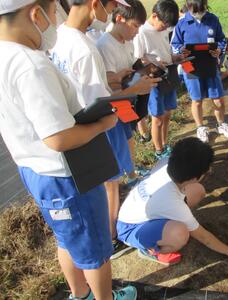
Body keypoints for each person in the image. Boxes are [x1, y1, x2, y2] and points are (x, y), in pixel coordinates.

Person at [0, 0, 136, 298]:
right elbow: (58, 137)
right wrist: (102, 125)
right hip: (67, 174)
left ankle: (80, 293)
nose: (52, 22)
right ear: (35, 14)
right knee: (96, 249)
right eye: (51, 14)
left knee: (68, 239)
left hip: (34, 169)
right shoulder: (30, 64)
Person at [50, 0, 160, 259]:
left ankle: (104, 236)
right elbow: (100, 102)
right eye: (111, 8)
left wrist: (119, 78)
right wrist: (136, 89)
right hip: (96, 126)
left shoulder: (59, 38)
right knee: (110, 183)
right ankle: (111, 238)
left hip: (74, 125)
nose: (112, 15)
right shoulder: (86, 48)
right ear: (95, 4)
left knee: (99, 187)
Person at [117, 137, 228, 265]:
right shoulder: (172, 203)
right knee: (180, 233)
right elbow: (203, 236)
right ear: (195, 177)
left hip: (141, 209)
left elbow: (177, 193)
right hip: (130, 228)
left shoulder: (165, 161)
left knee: (198, 190)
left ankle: (165, 226)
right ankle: (149, 250)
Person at [171, 0, 228, 143]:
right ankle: (200, 127)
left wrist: (219, 50)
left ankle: (221, 124)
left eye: (201, 10)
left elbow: (221, 39)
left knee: (218, 99)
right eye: (195, 10)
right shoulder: (181, 23)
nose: (199, 13)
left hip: (210, 65)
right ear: (188, 7)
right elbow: (175, 44)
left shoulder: (213, 19)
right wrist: (181, 50)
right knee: (197, 100)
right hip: (191, 67)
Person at [96, 0, 149, 177]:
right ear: (119, 19)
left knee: (128, 137)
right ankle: (122, 178)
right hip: (114, 104)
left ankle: (132, 172)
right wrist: (133, 84)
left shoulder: (128, 42)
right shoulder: (104, 45)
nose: (137, 32)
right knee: (118, 144)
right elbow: (110, 83)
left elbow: (130, 68)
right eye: (134, 26)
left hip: (127, 100)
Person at [133, 0, 180, 160]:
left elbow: (165, 51)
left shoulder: (163, 30)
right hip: (154, 80)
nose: (166, 28)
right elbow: (138, 60)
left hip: (169, 75)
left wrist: (175, 57)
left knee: (167, 114)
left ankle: (165, 144)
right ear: (154, 16)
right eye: (164, 25)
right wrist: (153, 63)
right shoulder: (141, 32)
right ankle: (159, 150)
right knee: (157, 118)